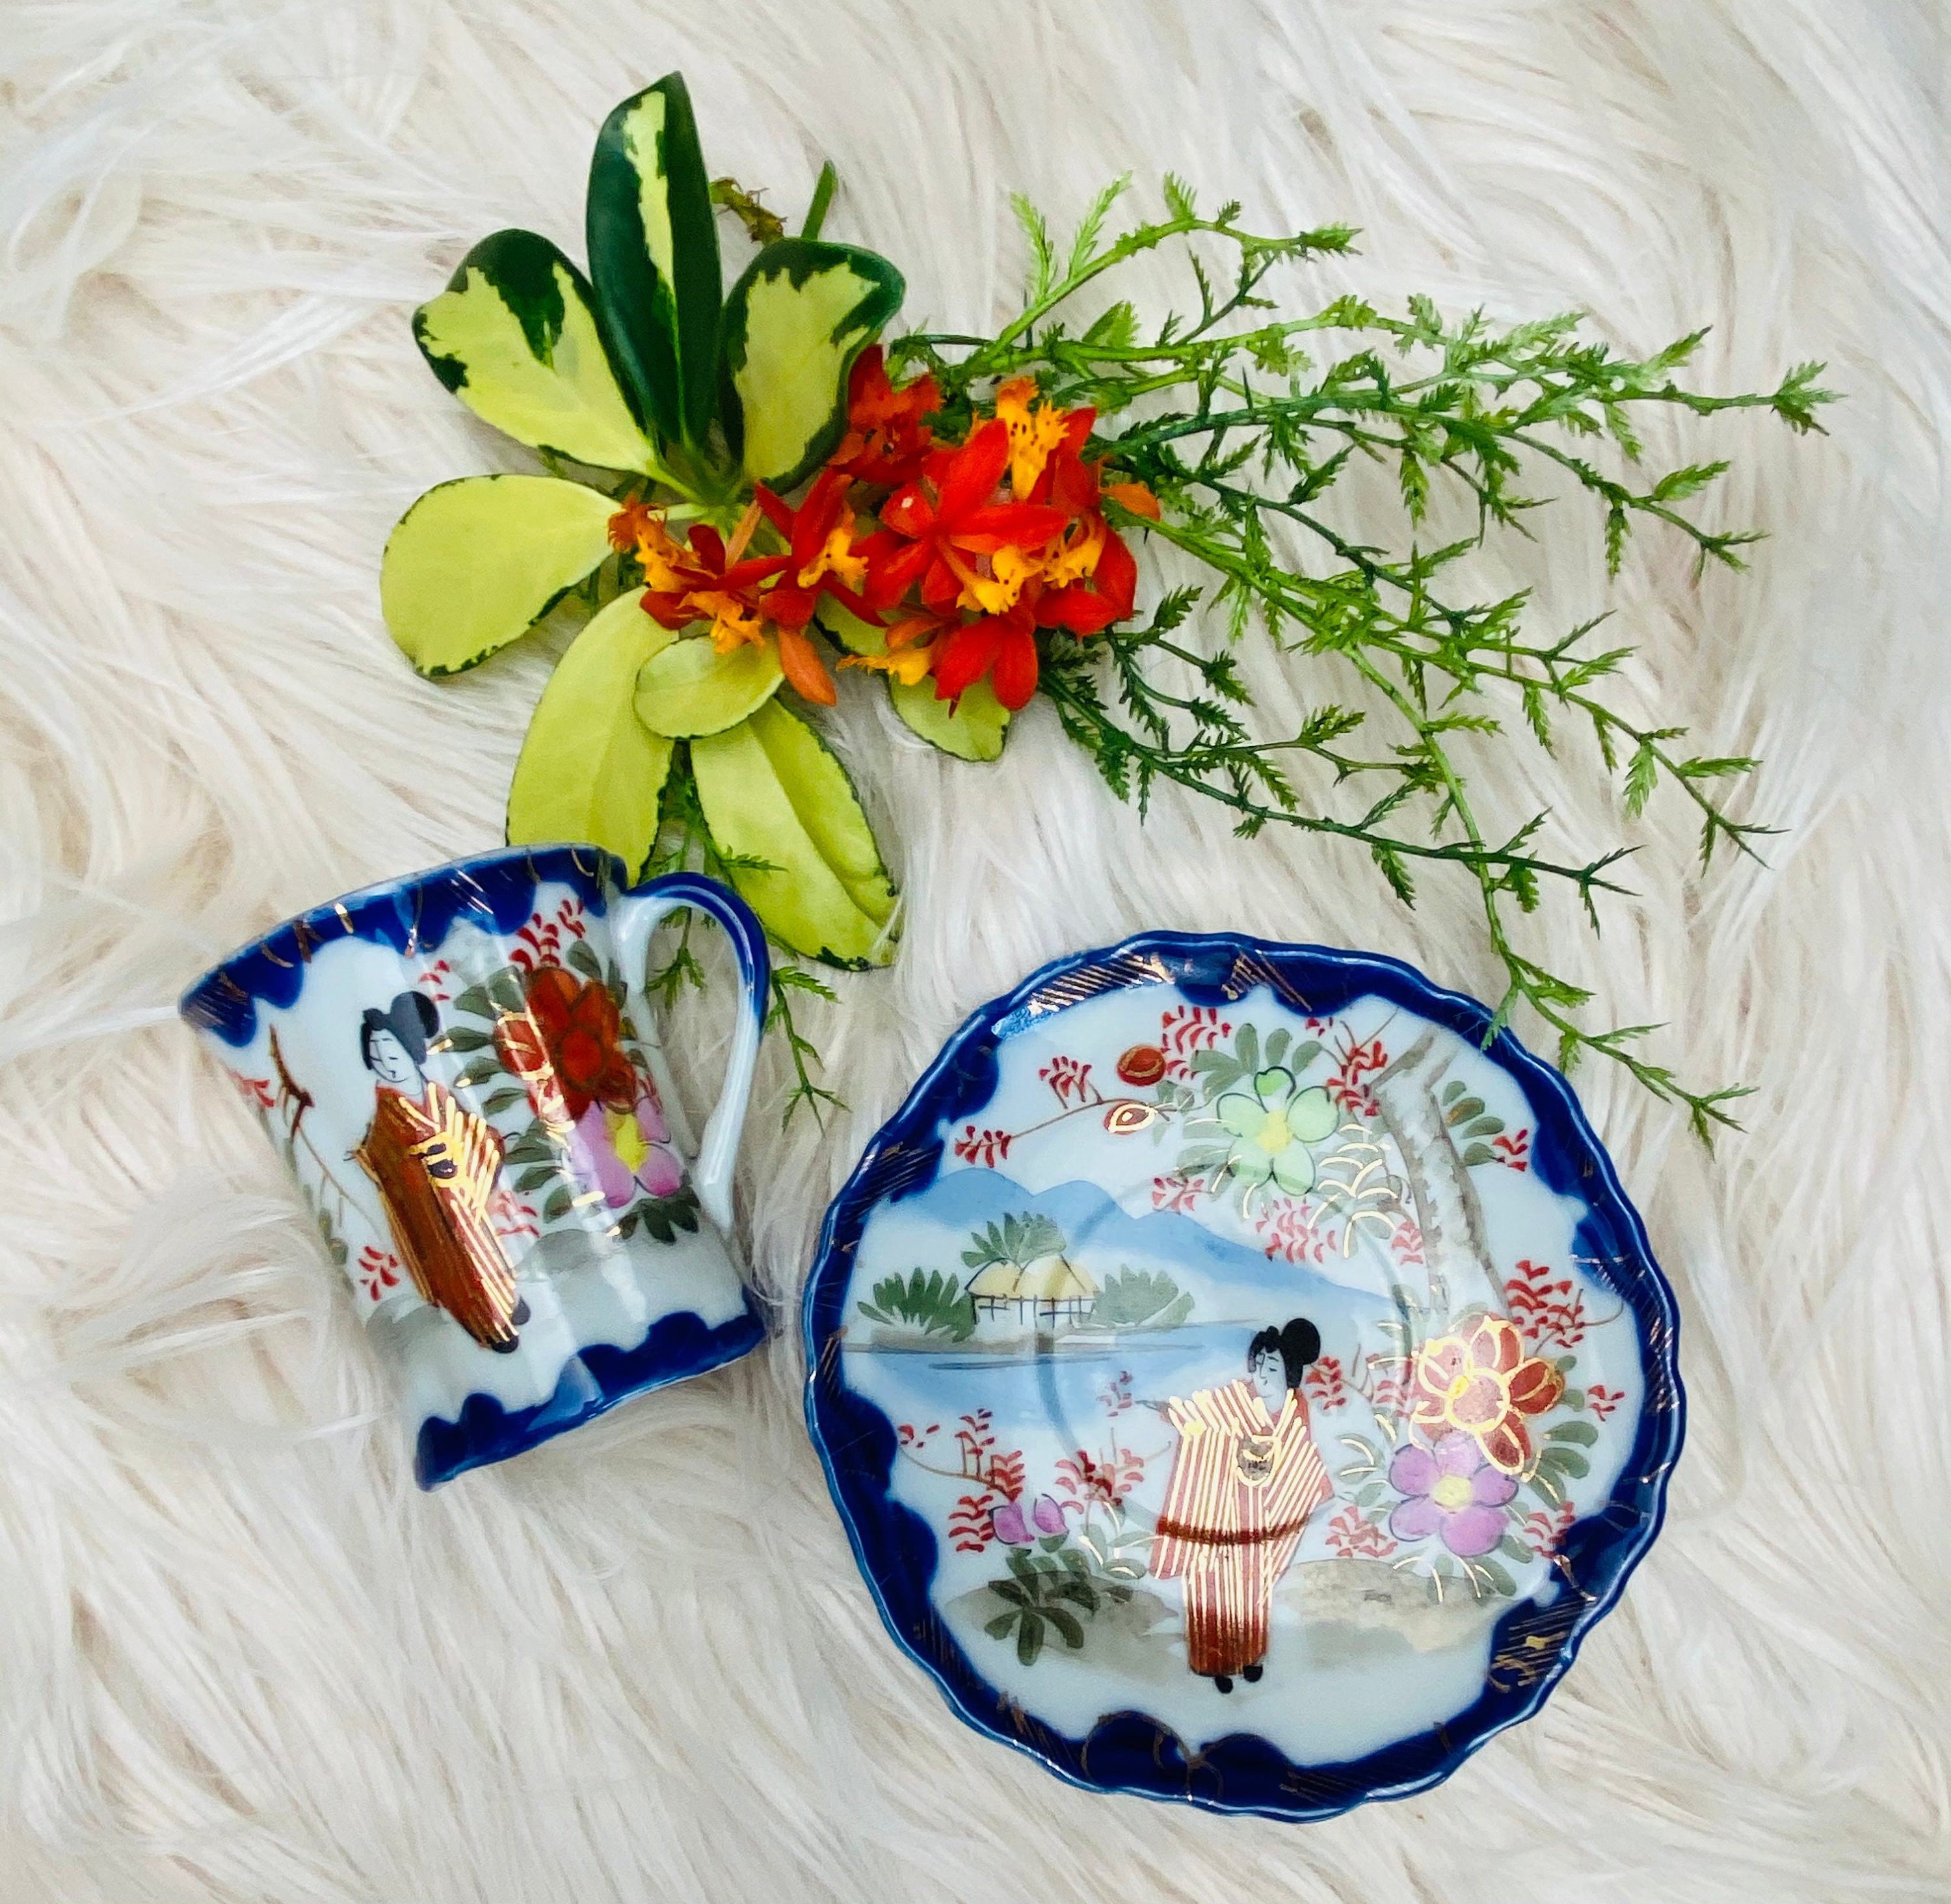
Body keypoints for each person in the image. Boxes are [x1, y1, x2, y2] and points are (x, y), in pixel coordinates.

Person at [1149, 1317, 1331, 1692]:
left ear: (1290, 1372)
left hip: (1265, 1511)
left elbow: (1301, 1454)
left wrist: (1299, 1481)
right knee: (1210, 1585)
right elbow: (1199, 1413)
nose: (1262, 1374)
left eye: (1272, 1367)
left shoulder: (1297, 1410)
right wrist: (1174, 1413)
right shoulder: (1235, 1399)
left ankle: (1249, 1658)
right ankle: (1214, 1665)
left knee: (1252, 1589)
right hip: (1218, 1506)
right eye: (1259, 1364)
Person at [352, 990, 527, 1353]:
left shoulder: (439, 1095)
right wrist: (430, 1166)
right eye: (376, 1055)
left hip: (466, 1196)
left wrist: (481, 1146)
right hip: (434, 1214)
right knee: (460, 1267)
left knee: (490, 1249)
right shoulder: (388, 1116)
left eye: (391, 1050)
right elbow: (386, 1160)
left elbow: (473, 1131)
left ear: (410, 1049)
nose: (386, 1061)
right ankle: (488, 1327)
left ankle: (508, 1300)